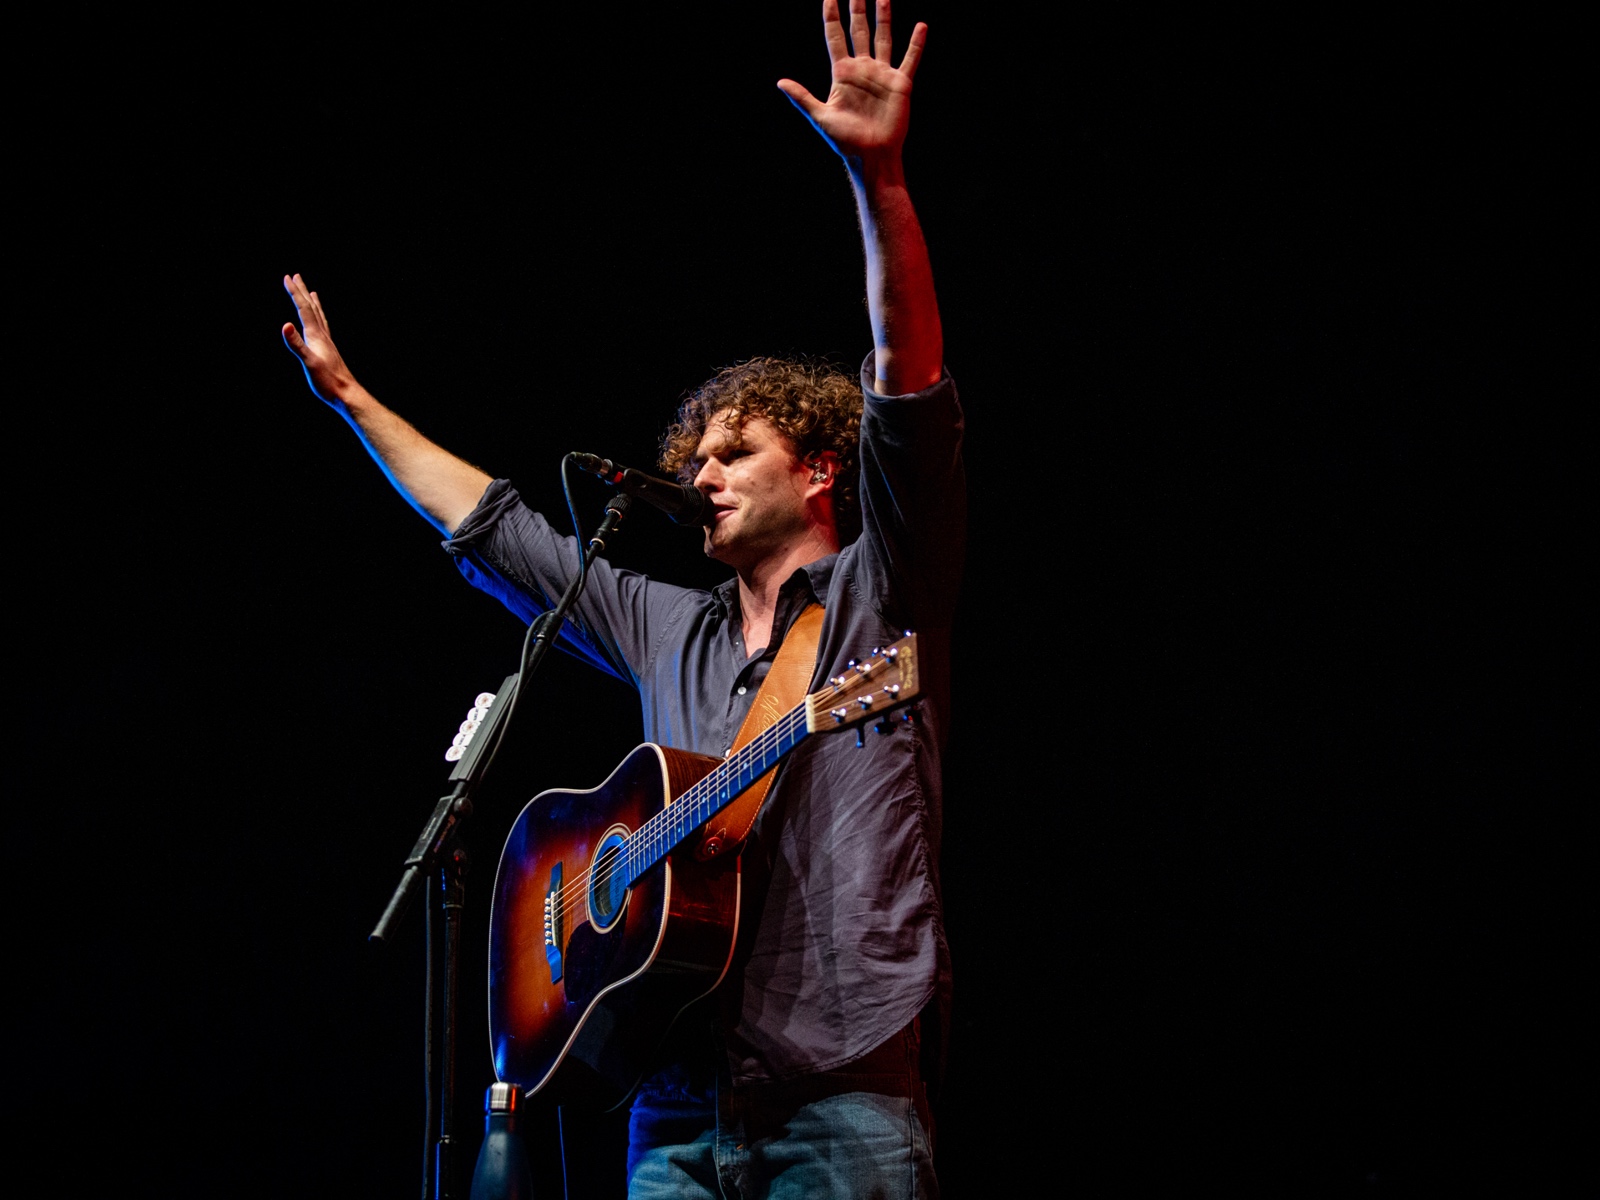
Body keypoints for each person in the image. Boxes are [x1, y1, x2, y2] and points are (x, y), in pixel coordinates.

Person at [282, 2, 961, 1195]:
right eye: (690, 458)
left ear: (814, 471)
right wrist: (350, 402)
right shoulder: (661, 619)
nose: (695, 474)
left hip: (839, 1091)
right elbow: (495, 528)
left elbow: (906, 389)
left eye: (729, 454)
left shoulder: (879, 588)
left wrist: (880, 186)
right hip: (670, 1095)